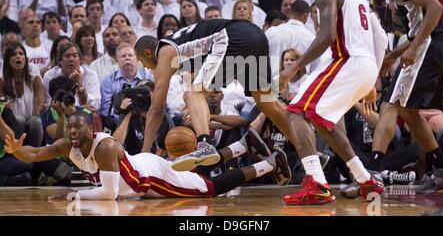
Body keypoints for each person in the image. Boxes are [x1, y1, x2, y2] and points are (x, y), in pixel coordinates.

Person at [277, 0, 385, 204]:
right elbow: (379, 36)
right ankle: (365, 180)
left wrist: (296, 65)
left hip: (348, 61)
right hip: (365, 64)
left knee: (295, 112)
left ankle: (316, 183)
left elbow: (326, 36)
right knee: (322, 121)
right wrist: (372, 78)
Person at [342, 0, 443, 196]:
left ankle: (374, 173)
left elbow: (437, 7)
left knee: (389, 105)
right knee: (409, 111)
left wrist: (413, 49)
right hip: (433, 46)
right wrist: (393, 54)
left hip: (429, 46)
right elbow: (417, 30)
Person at [4, 112, 290, 200]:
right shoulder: (68, 143)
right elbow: (38, 152)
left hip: (150, 178)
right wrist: (18, 150)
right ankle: (243, 146)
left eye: (80, 127)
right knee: (191, 171)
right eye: (72, 127)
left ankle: (269, 164)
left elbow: (108, 193)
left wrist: (71, 195)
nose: (74, 132)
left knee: (208, 189)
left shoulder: (104, 148)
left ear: (93, 129)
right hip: (144, 165)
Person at [134, 19, 300, 158]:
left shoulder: (164, 52)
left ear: (148, 53)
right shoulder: (181, 46)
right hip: (256, 36)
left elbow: (156, 109)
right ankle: (307, 151)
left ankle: (204, 145)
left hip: (232, 36)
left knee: (194, 93)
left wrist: (144, 152)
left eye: (141, 61)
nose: (145, 67)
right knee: (267, 103)